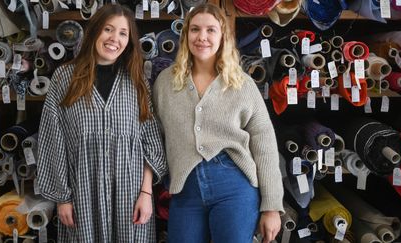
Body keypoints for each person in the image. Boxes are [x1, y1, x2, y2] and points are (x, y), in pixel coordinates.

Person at [153, 3, 284, 243]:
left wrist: (272, 207)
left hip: (234, 186)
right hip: (185, 188)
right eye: (195, 30)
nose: (202, 37)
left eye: (211, 30)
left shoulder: (241, 84)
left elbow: (264, 145)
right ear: (186, 35)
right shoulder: (165, 83)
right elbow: (155, 136)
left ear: (223, 36)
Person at [37, 4, 167, 242]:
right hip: (83, 198)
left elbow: (150, 142)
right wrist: (62, 198)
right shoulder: (65, 78)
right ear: (95, 31)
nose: (114, 39)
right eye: (108, 29)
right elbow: (52, 140)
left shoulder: (136, 81)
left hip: (130, 198)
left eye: (122, 33)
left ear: (129, 41)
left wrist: (146, 193)